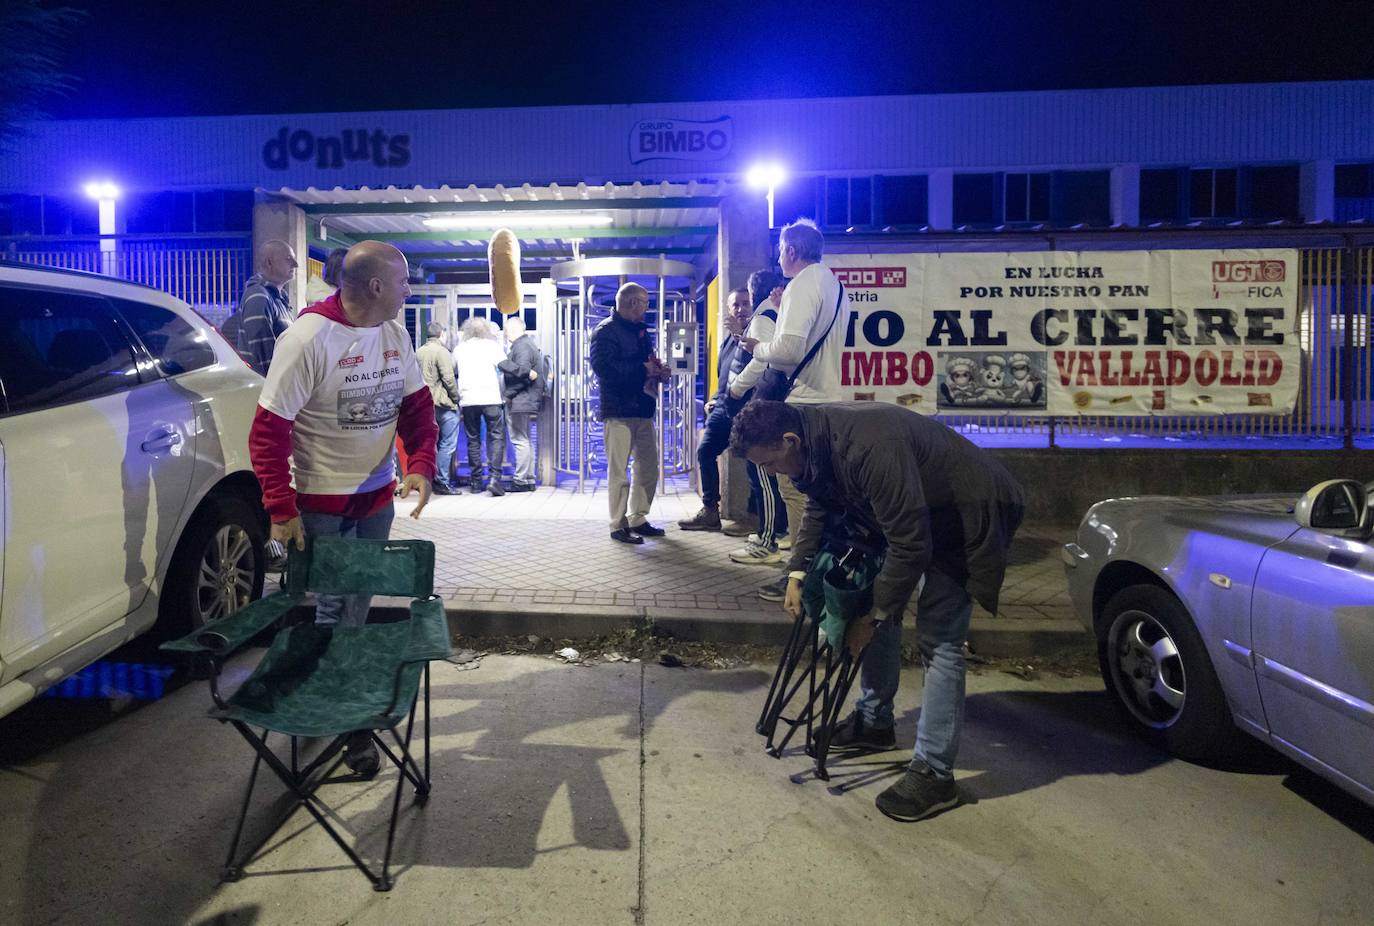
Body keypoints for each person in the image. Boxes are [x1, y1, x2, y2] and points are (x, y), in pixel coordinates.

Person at [729, 399, 1024, 822]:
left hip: (967, 511)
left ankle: (935, 773)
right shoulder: (811, 439)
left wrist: (873, 618)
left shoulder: (867, 447)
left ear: (790, 441)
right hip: (915, 513)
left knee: (938, 638)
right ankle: (874, 723)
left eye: (772, 463)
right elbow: (819, 506)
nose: (771, 474)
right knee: (874, 600)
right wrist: (797, 571)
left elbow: (910, 544)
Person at [248, 240, 437, 777]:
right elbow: (268, 433)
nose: (409, 289)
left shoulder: (396, 335)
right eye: (403, 281)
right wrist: (280, 508)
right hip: (318, 503)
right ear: (376, 286)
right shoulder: (308, 339)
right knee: (336, 608)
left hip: (376, 499)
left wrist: (421, 465)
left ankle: (330, 699)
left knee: (354, 602)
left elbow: (418, 412)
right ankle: (343, 718)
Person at [729, 219, 845, 601]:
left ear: (791, 251)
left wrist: (755, 347)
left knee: (795, 491)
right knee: (818, 494)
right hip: (828, 398)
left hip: (803, 402)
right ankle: (814, 569)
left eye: (780, 250)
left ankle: (797, 573)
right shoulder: (832, 283)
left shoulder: (801, 284)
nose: (778, 257)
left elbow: (789, 351)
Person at [589, 282, 670, 545]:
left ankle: (638, 518)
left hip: (643, 408)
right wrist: (644, 369)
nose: (647, 308)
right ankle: (618, 524)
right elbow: (604, 369)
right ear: (633, 303)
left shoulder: (641, 331)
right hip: (619, 410)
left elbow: (644, 362)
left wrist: (657, 369)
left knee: (648, 467)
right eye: (645, 303)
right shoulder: (604, 332)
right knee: (619, 471)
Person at [225, 238, 298, 376]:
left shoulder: (278, 298)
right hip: (267, 390)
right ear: (269, 263)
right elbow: (264, 357)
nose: (296, 264)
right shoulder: (258, 296)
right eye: (288, 259)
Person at [453, 316, 508, 496]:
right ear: (485, 330)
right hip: (491, 397)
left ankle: (476, 482)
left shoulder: (460, 349)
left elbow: (453, 370)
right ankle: (494, 479)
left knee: (473, 440)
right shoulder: (491, 346)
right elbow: (504, 365)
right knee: (496, 437)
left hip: (468, 399)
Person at [498, 314, 542, 492]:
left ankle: (520, 480)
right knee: (525, 439)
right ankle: (529, 478)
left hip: (520, 400)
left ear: (515, 329)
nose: (505, 334)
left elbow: (523, 374)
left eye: (507, 330)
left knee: (519, 440)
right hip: (526, 399)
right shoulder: (527, 344)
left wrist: (508, 394)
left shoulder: (522, 347)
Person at [417, 320, 461, 495]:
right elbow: (449, 379)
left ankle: (427, 478)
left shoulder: (418, 352)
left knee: (430, 443)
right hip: (442, 404)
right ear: (441, 334)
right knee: (447, 443)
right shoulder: (442, 352)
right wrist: (456, 399)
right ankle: (441, 481)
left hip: (424, 405)